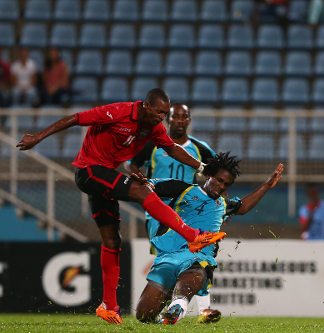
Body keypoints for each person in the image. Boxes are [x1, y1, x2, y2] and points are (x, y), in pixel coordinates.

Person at [16, 88, 225, 325]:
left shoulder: (155, 128)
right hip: (89, 170)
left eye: (164, 113)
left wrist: (200, 167)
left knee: (113, 241)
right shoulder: (118, 112)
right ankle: (192, 236)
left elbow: (172, 148)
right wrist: (38, 137)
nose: (161, 117)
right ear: (146, 105)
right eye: (159, 112)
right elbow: (74, 119)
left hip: (103, 178)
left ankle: (108, 306)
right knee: (141, 192)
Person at [135, 152, 284, 325]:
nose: (221, 186)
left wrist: (266, 185)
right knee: (144, 315)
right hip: (169, 256)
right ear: (208, 175)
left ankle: (179, 305)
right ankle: (165, 319)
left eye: (226, 184)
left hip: (198, 256)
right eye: (219, 180)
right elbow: (148, 187)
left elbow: (243, 207)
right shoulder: (183, 190)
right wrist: (143, 182)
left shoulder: (223, 204)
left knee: (197, 270)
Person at [130, 103, 218, 320]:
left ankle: (202, 309)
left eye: (184, 116)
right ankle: (167, 309)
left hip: (188, 213)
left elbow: (218, 173)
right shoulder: (152, 145)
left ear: (189, 120)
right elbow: (131, 164)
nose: (179, 120)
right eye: (175, 116)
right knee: (167, 260)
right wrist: (138, 178)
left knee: (197, 255)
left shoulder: (200, 148)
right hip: (156, 212)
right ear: (167, 119)